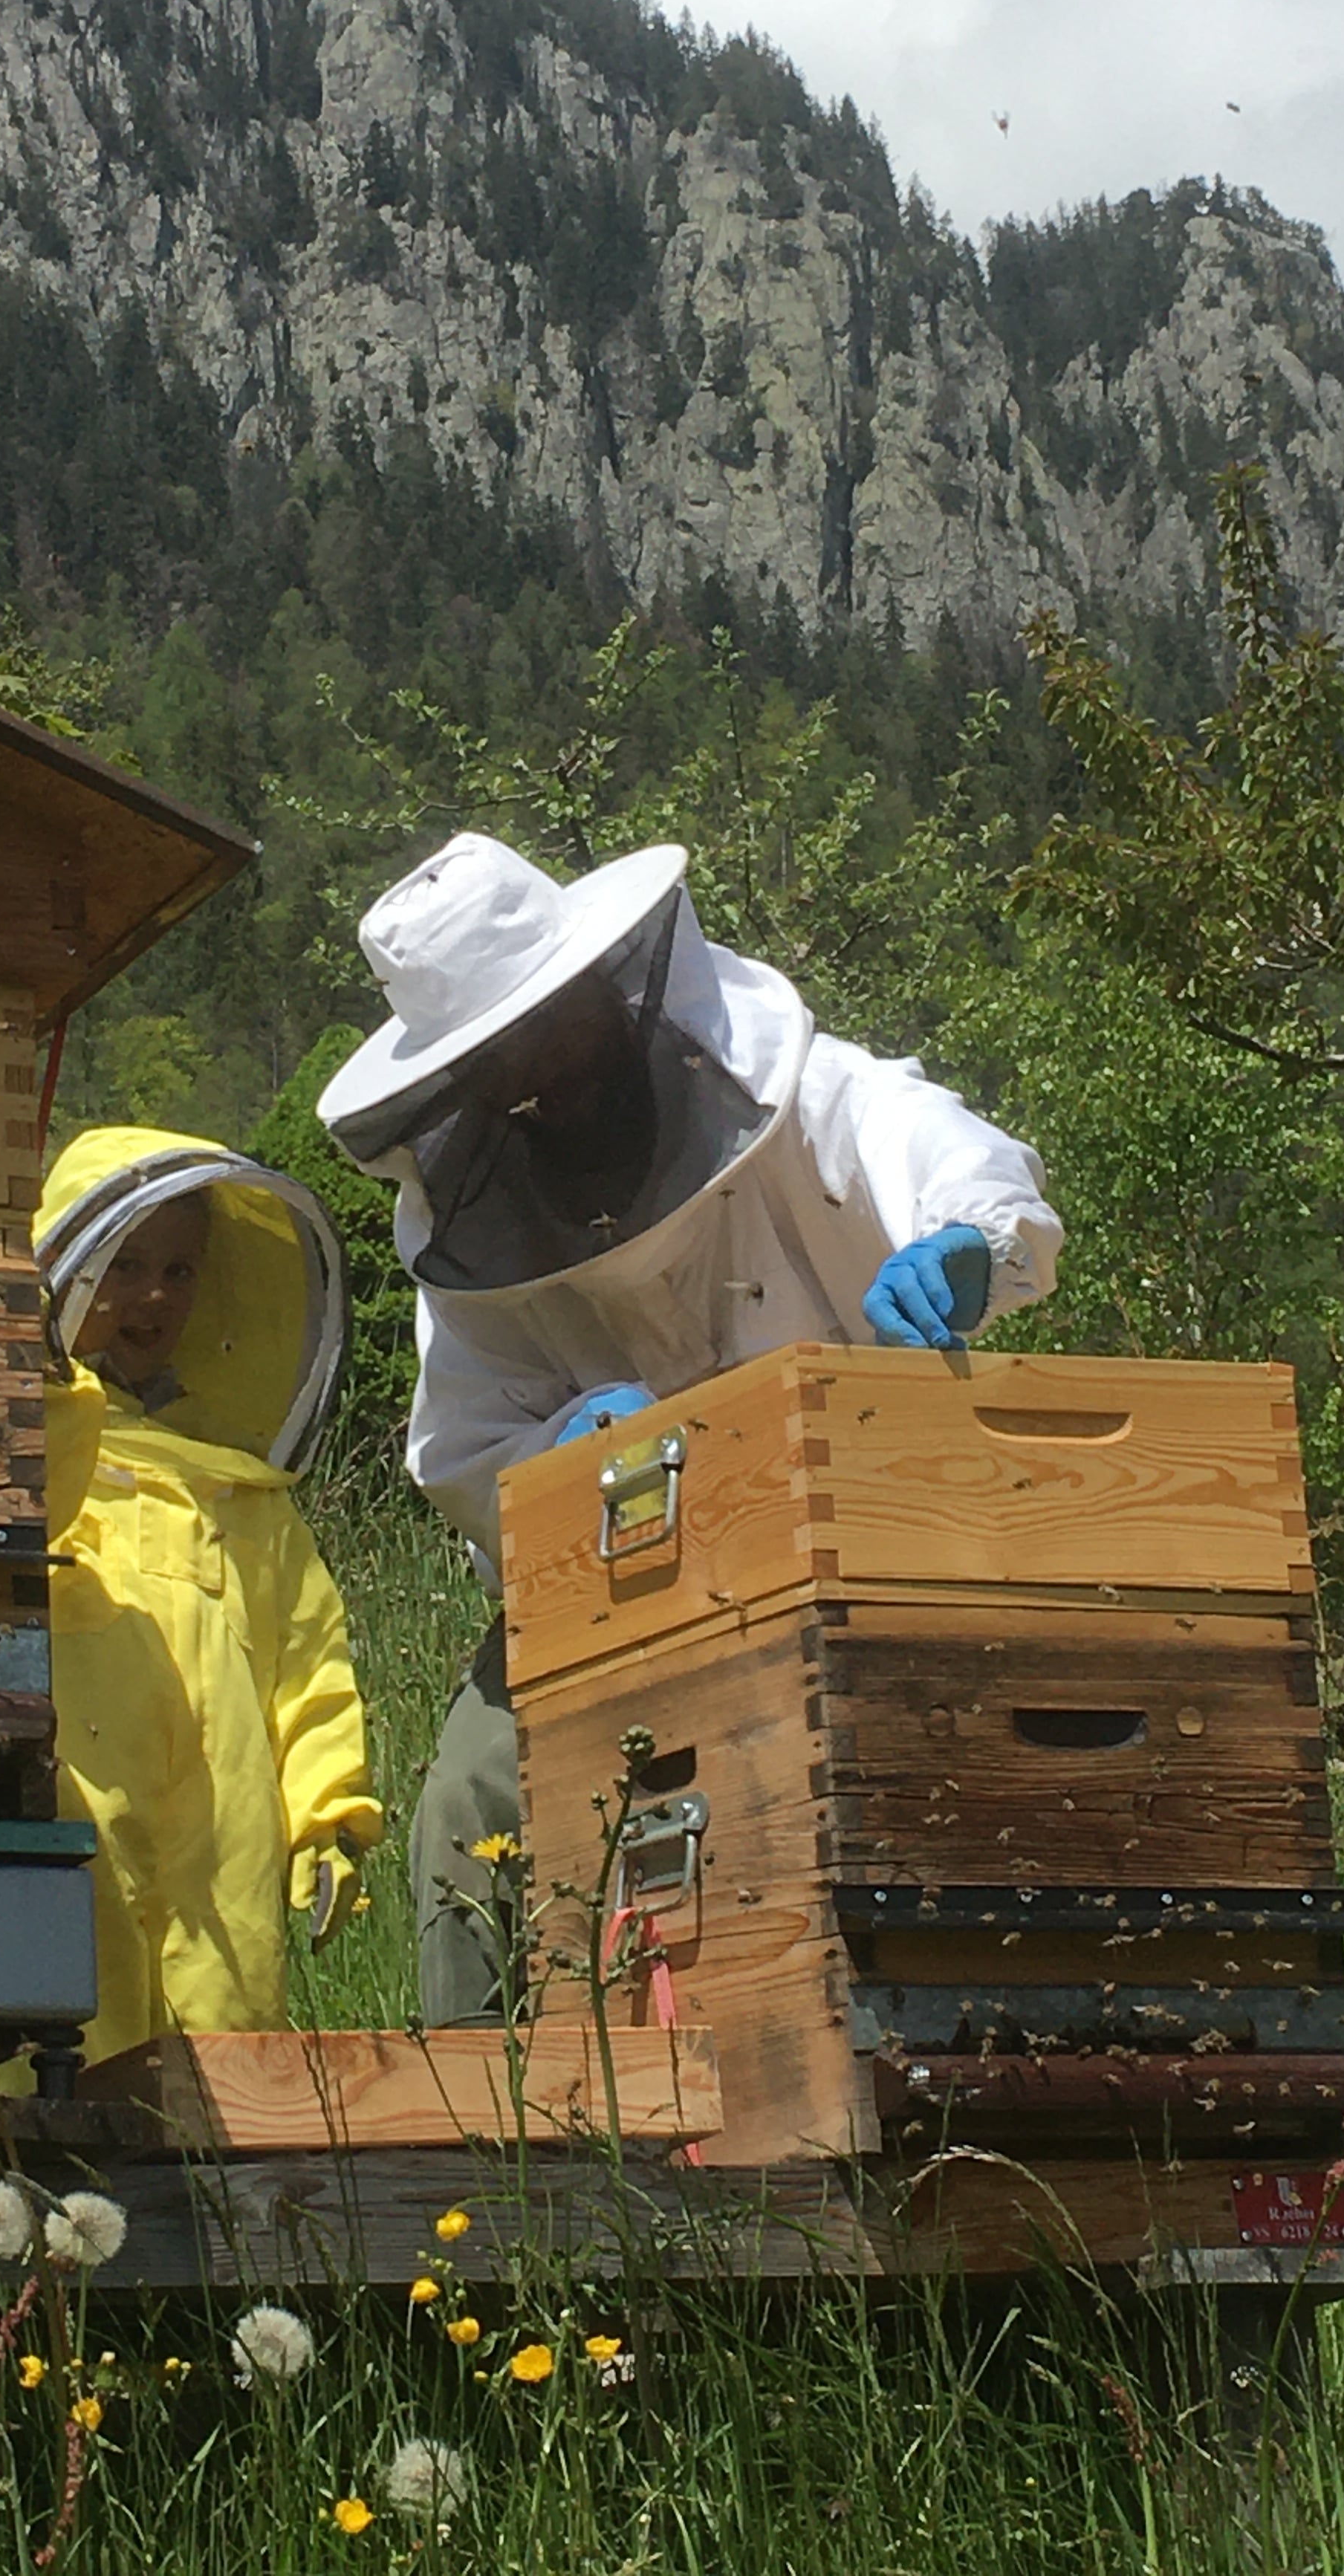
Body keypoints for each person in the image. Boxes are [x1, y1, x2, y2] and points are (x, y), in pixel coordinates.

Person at [316, 833, 1062, 2022]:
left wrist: (968, 1239)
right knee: (472, 1792)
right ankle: (487, 2105)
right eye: (501, 1065)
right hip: (625, 1577)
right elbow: (460, 1451)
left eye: (551, 1035)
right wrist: (565, 1451)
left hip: (871, 1532)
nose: (541, 1080)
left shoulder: (793, 1088)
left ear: (610, 989)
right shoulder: (468, 1231)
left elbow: (934, 1144)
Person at [33, 1124, 383, 2067]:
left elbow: (308, 1664)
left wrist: (328, 1814)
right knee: (60, 2038)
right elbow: (19, 1531)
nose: (154, 1295)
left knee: (225, 2055)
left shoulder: (244, 1493)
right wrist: (50, 1393)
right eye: (126, 1265)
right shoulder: (34, 1448)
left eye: (180, 1271)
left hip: (228, 1826)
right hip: (74, 1794)